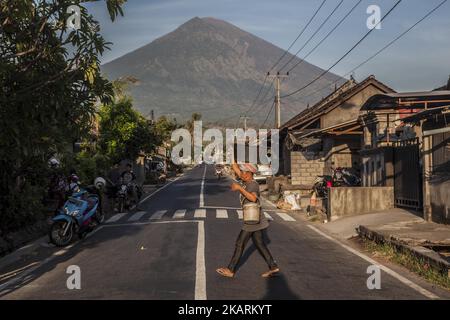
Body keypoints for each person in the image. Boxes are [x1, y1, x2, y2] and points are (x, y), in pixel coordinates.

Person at [216, 162, 280, 278]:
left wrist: (239, 188)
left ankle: (230, 269)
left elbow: (253, 198)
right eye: (243, 172)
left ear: (250, 173)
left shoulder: (252, 185)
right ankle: (273, 266)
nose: (242, 174)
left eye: (245, 172)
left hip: (252, 219)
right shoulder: (246, 179)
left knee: (240, 243)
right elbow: (236, 168)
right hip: (255, 219)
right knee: (259, 244)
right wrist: (232, 152)